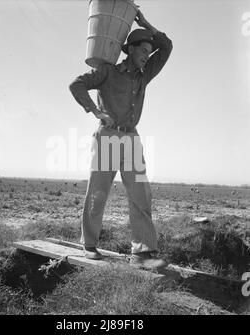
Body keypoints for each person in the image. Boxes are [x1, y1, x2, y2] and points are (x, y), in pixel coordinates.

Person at [69, 10, 173, 270]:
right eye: (143, 50)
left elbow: (167, 46)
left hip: (131, 139)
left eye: (149, 52)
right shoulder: (107, 71)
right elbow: (76, 84)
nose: (147, 55)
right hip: (107, 137)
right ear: (130, 50)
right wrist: (96, 111)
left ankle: (142, 252)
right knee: (99, 192)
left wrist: (145, 24)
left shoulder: (144, 73)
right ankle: (89, 245)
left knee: (141, 193)